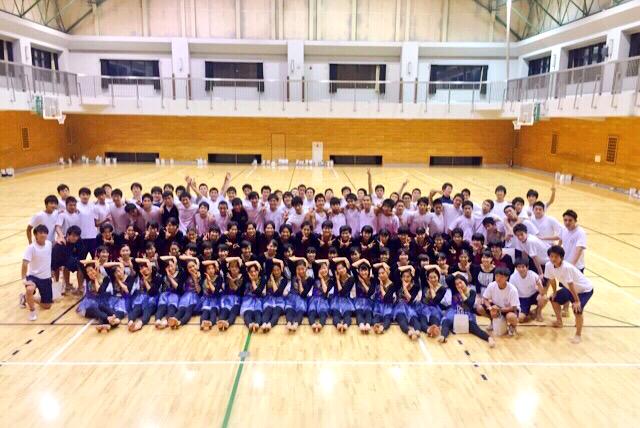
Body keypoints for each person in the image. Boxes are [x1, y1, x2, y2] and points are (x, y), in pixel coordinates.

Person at [545, 245, 594, 344]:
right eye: (551, 256)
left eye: (556, 257)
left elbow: (571, 285)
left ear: (561, 257)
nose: (553, 259)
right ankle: (559, 322)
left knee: (577, 310)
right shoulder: (548, 265)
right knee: (553, 299)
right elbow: (552, 279)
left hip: (584, 290)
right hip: (570, 289)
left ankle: (578, 335)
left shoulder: (566, 267)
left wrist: (577, 301)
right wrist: (554, 292)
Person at [438, 274, 495, 347]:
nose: (459, 285)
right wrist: (456, 273)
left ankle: (489, 338)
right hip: (454, 312)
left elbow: (469, 304)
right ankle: (443, 336)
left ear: (465, 282)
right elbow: (448, 279)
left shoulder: (472, 292)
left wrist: (461, 293)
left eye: (460, 282)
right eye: (457, 284)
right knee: (446, 322)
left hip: (466, 314)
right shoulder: (454, 289)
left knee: (475, 328)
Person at [19, 225, 53, 321]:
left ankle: (25, 297)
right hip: (33, 276)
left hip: (46, 277)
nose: (43, 235)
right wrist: (24, 279)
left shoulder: (49, 244)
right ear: (35, 235)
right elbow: (25, 263)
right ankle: (32, 311)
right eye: (40, 233)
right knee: (30, 289)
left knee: (47, 305)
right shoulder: (31, 248)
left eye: (45, 233)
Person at [480, 267, 520, 336]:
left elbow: (514, 307)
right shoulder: (491, 285)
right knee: (479, 308)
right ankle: (492, 321)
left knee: (511, 316)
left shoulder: (513, 290)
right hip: (496, 307)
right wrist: (490, 308)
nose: (498, 279)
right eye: (497, 276)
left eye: (501, 277)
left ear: (507, 278)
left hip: (509, 309)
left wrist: (499, 310)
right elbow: (485, 298)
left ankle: (512, 326)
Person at [510, 258, 547, 322]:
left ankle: (538, 312)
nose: (521, 269)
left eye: (523, 267)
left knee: (544, 298)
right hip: (522, 299)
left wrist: (539, 284)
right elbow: (512, 293)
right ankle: (528, 312)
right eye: (519, 267)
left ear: (527, 267)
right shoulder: (513, 277)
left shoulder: (533, 275)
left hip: (533, 296)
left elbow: (542, 292)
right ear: (516, 268)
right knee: (520, 319)